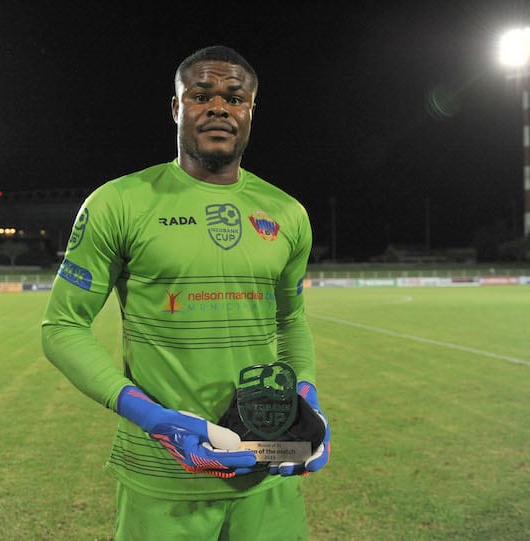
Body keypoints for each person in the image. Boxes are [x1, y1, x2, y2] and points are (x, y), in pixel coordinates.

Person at [41, 45, 331, 541]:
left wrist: (306, 397)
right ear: (177, 107)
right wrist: (154, 419)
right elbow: (62, 327)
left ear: (250, 111)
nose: (219, 107)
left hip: (267, 479)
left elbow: (290, 321)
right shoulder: (119, 203)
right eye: (201, 94)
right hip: (162, 481)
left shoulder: (287, 213)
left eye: (235, 98)